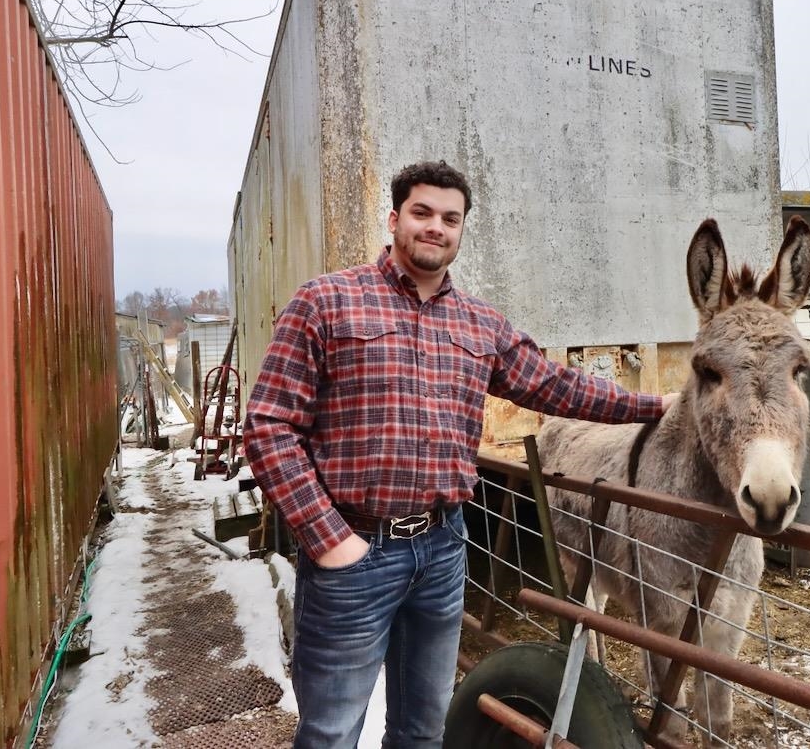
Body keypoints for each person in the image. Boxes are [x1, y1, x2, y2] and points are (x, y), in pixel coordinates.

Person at [244, 160, 674, 749]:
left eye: (451, 218)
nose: (436, 227)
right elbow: (269, 425)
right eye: (422, 213)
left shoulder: (479, 324)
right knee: (330, 731)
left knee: (423, 730)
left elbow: (557, 386)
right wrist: (329, 538)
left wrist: (655, 407)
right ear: (395, 219)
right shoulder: (326, 303)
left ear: (461, 231)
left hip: (443, 552)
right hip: (353, 554)